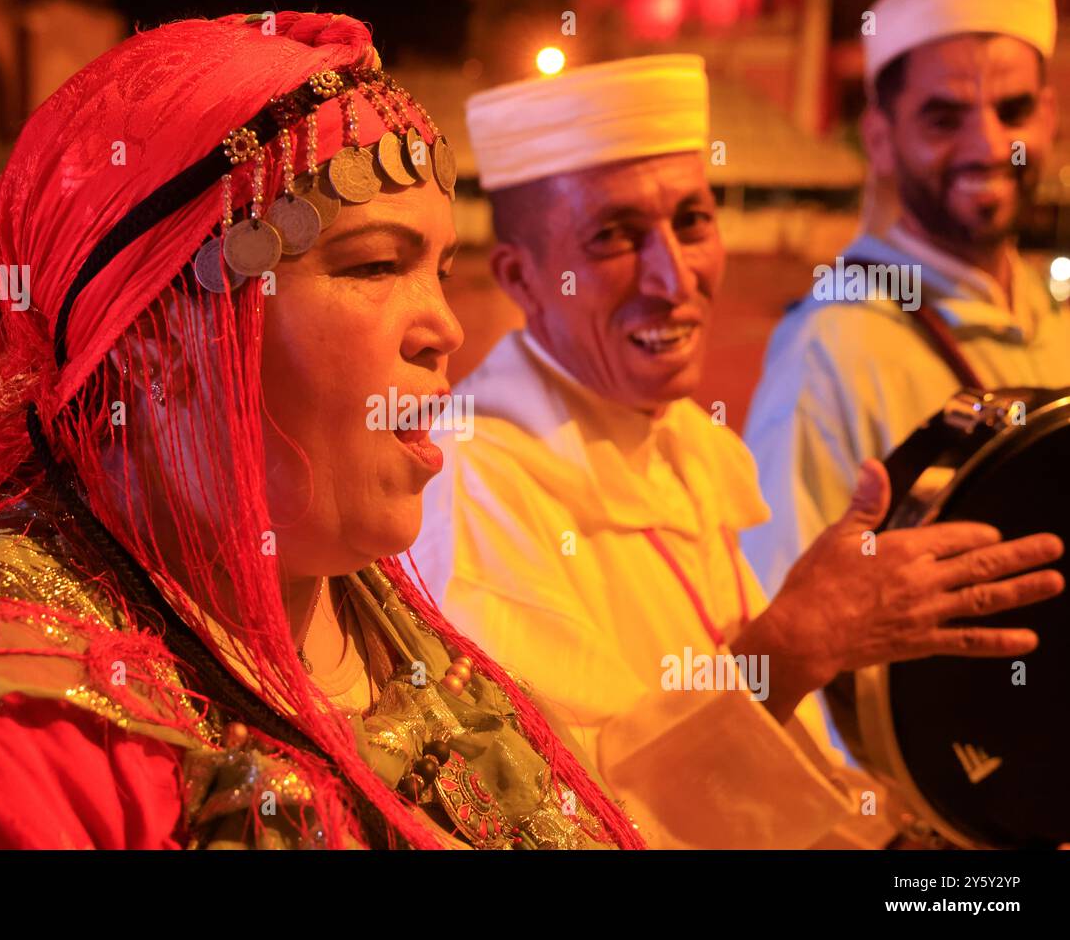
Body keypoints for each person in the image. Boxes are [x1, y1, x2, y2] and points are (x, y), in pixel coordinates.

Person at [0, 13, 643, 851]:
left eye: (439, 269)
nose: (445, 328)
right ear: (153, 341)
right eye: (375, 265)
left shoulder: (345, 599)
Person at [410, 54, 1064, 848]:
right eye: (614, 236)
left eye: (692, 221)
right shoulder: (472, 482)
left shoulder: (681, 437)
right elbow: (562, 817)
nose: (673, 275)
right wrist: (794, 645)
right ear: (520, 275)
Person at [744, 0, 1070, 595]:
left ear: (1048, 117)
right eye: (944, 119)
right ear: (880, 139)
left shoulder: (1049, 316)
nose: (990, 145)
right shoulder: (828, 350)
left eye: (1014, 111)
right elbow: (784, 632)